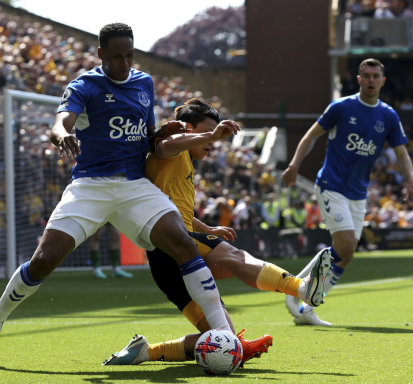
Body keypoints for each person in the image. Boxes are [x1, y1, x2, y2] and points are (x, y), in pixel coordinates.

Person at [0, 23, 235, 368]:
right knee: (45, 259)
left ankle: (226, 337)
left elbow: (148, 136)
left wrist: (161, 131)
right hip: (91, 184)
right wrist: (62, 135)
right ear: (101, 54)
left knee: (181, 241)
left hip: (135, 185)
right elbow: (60, 123)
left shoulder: (144, 83)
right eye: (117, 56)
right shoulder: (85, 85)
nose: (124, 62)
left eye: (130, 55)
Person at [102, 99, 331, 366]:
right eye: (207, 133)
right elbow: (168, 145)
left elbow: (178, 210)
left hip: (178, 245)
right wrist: (207, 134)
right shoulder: (170, 149)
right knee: (235, 258)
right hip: (169, 248)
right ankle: (300, 289)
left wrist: (205, 227)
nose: (212, 141)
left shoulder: (185, 158)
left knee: (224, 341)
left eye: (214, 134)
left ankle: (146, 351)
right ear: (188, 130)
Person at [282, 58, 413, 326]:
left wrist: (411, 179)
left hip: (358, 193)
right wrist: (294, 165)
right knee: (344, 246)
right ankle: (295, 287)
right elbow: (311, 135)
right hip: (331, 185)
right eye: (366, 75)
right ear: (358, 79)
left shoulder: (389, 115)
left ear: (383, 80)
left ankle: (307, 309)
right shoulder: (342, 107)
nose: (370, 80)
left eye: (375, 76)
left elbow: (402, 153)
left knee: (347, 253)